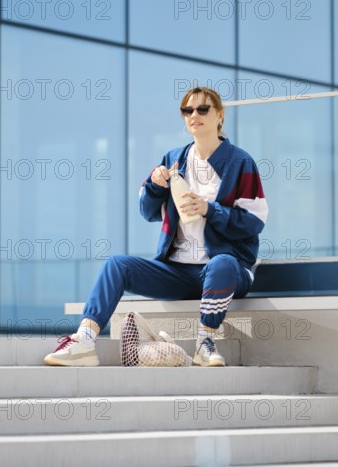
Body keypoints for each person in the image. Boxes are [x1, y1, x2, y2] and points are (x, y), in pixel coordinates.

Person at [44, 86, 268, 367]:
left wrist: (209, 210)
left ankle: (205, 342)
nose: (194, 115)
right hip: (179, 272)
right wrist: (154, 185)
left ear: (220, 115)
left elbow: (254, 221)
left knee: (222, 263)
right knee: (117, 264)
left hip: (227, 272)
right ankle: (84, 341)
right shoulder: (174, 159)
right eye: (187, 110)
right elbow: (147, 212)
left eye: (202, 109)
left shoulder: (239, 162)